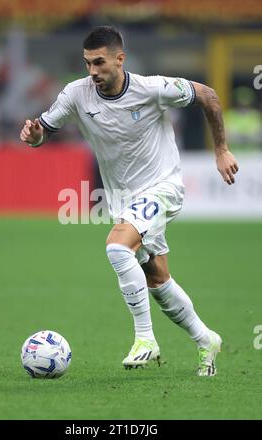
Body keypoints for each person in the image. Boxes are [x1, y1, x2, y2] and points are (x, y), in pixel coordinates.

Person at [20, 26, 239, 376]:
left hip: (163, 187)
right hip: (123, 200)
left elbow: (209, 96)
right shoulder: (76, 94)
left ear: (120, 59)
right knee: (157, 280)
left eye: (100, 63)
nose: (93, 71)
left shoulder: (152, 89)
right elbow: (44, 129)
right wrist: (34, 137)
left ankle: (145, 339)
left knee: (117, 248)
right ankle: (205, 338)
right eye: (87, 63)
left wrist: (222, 149)